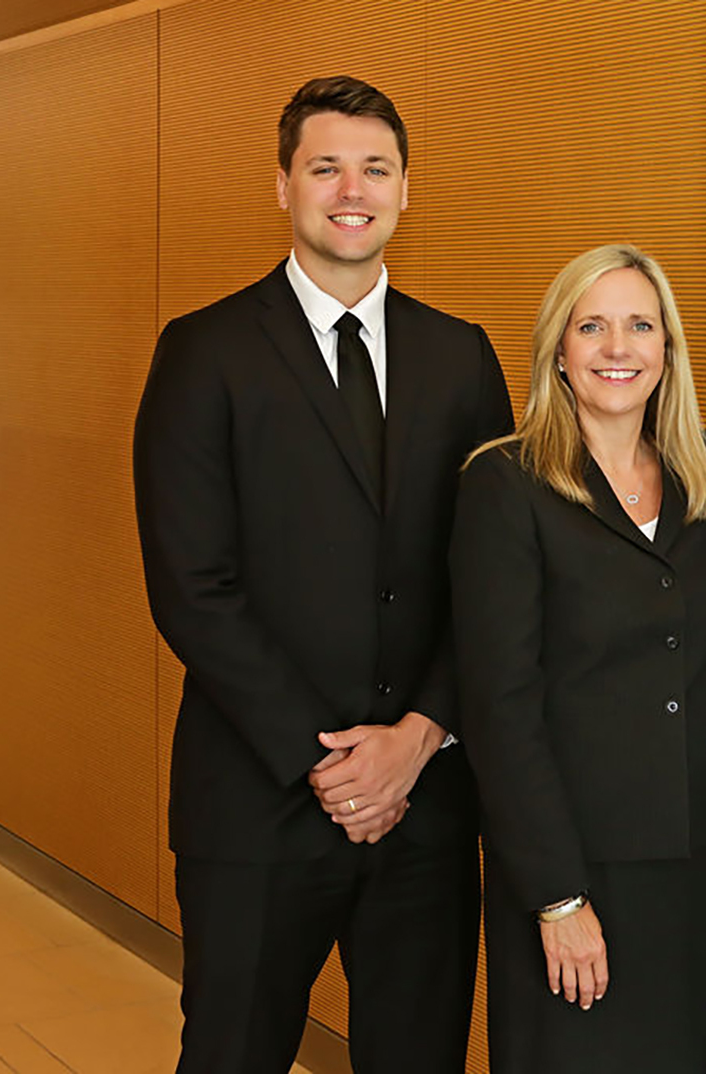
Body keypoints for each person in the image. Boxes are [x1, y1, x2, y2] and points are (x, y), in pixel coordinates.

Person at [132, 76, 511, 1072]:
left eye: (375, 167)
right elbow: (191, 584)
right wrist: (330, 762)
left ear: (404, 189)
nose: (353, 187)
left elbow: (494, 582)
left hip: (425, 806)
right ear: (284, 185)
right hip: (255, 802)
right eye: (326, 165)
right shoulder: (203, 351)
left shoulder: (462, 359)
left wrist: (416, 740)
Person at [450, 243, 706, 1073]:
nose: (618, 348)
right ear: (560, 352)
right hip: (568, 859)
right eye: (593, 326)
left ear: (668, 350)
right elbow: (499, 704)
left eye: (640, 325)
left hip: (684, 858)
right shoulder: (506, 484)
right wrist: (556, 895)